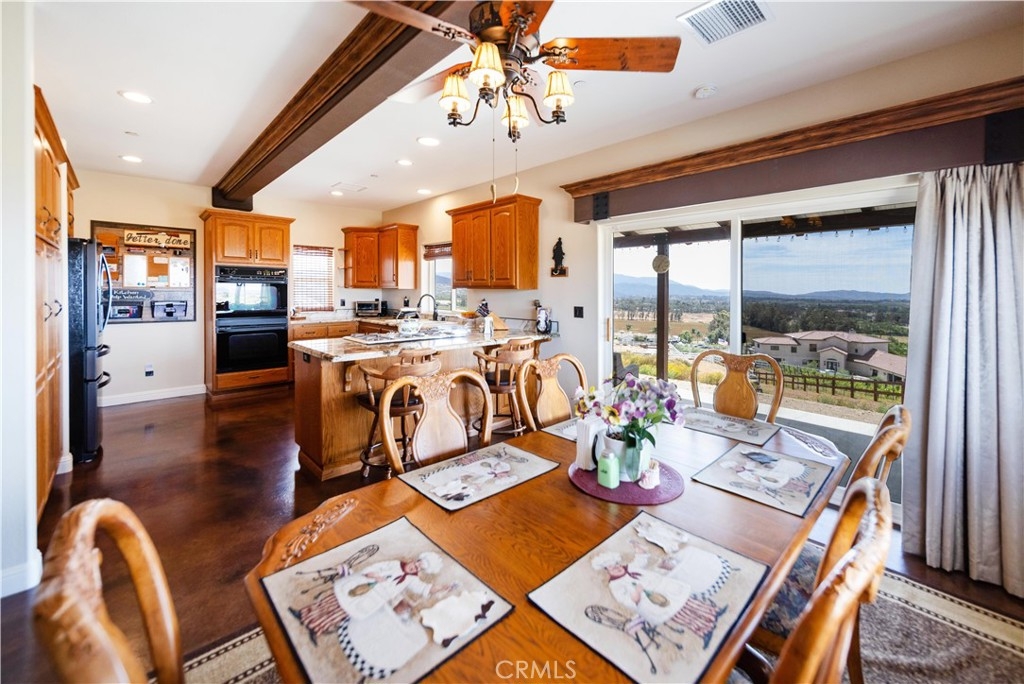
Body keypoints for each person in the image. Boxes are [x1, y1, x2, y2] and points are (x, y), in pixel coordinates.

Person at [291, 551, 452, 644]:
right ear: (414, 560)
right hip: (363, 585)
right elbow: (375, 567)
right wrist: (374, 575)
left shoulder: (412, 579)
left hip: (372, 599)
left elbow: (424, 588)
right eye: (416, 563)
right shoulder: (395, 564)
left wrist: (441, 588)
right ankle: (305, 614)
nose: (414, 567)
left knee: (343, 613)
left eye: (418, 568)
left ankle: (317, 627)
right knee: (335, 601)